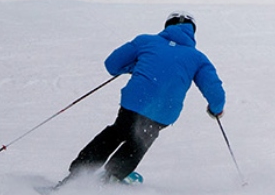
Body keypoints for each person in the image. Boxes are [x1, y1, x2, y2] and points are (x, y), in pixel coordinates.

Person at [68, 12, 225, 184]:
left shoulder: (146, 41)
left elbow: (112, 64)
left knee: (117, 132)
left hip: (135, 102)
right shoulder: (198, 58)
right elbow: (214, 90)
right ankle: (112, 177)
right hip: (165, 111)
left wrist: (136, 66)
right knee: (140, 140)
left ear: (167, 26)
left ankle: (79, 173)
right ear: (192, 32)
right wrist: (216, 109)